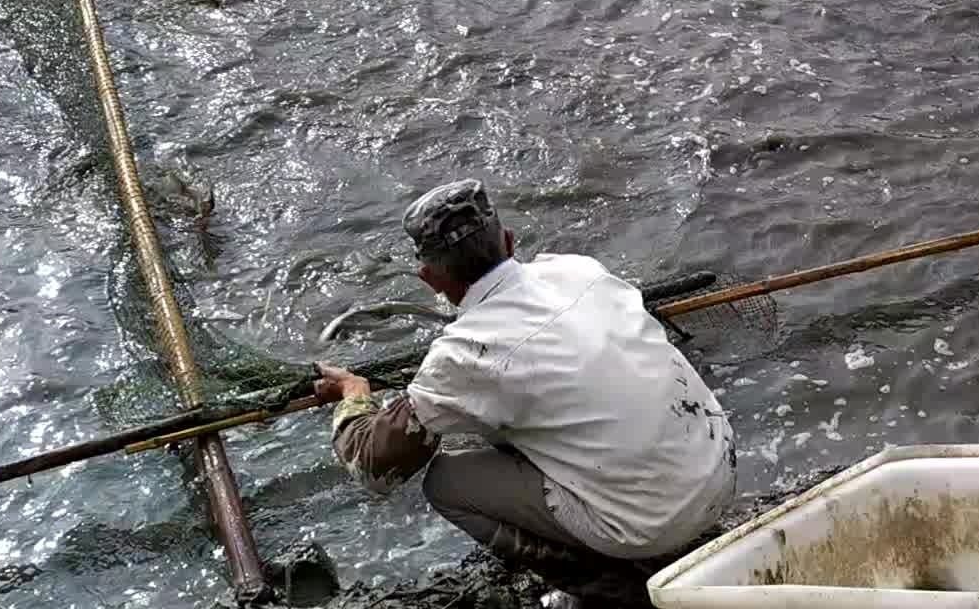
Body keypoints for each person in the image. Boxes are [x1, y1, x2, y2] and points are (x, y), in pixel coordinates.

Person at [315, 179, 736, 608]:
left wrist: (353, 392)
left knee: (445, 482)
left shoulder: (463, 354)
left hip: (652, 524)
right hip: (719, 474)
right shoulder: (579, 269)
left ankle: (608, 587)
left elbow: (373, 467)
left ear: (429, 279)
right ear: (510, 241)